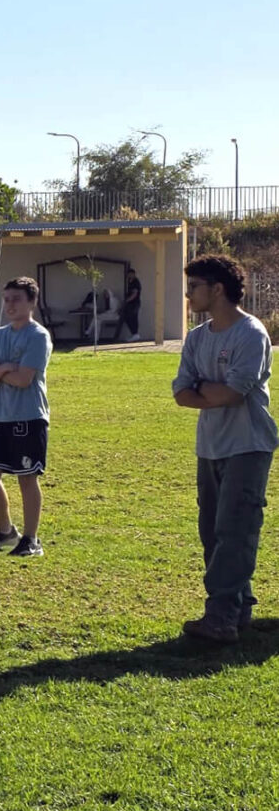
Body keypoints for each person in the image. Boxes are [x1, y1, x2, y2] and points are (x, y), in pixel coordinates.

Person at [171, 254, 277, 643]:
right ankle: (238, 607)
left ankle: (219, 618)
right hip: (210, 446)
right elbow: (181, 393)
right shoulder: (197, 337)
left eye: (194, 286)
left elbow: (233, 393)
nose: (188, 294)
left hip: (247, 446)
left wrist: (204, 389)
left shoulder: (251, 333)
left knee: (236, 530)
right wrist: (206, 392)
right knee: (211, 532)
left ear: (217, 289)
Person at [0, 277, 53, 558]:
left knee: (26, 477)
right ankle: (5, 531)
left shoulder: (38, 336)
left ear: (32, 302)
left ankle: (31, 539)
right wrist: (7, 366)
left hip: (29, 416)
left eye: (17, 299)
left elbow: (23, 379)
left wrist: (1, 371)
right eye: (7, 299)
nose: (10, 305)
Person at [123, 268, 143, 343]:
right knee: (127, 317)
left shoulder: (135, 282)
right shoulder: (129, 282)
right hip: (130, 303)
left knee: (132, 318)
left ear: (133, 274)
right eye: (128, 274)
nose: (129, 275)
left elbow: (135, 294)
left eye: (130, 274)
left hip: (134, 303)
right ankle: (134, 334)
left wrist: (127, 300)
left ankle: (135, 334)